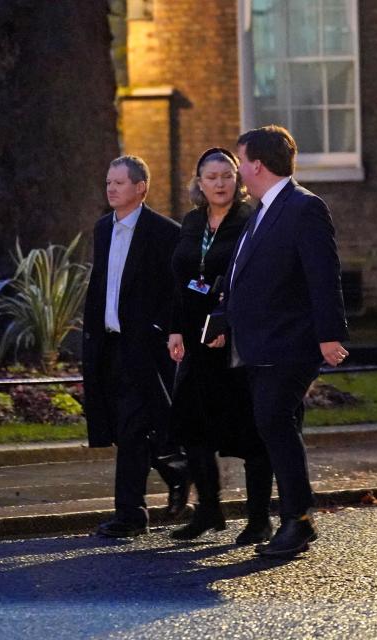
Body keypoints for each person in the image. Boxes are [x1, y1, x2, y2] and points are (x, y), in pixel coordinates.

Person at [221, 125, 349, 558]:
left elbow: (323, 275)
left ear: (257, 164)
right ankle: (295, 517)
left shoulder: (303, 207)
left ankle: (298, 520)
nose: (238, 171)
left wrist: (330, 335)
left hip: (289, 343)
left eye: (240, 162)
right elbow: (247, 275)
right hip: (259, 341)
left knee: (274, 421)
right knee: (276, 424)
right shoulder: (260, 210)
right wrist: (225, 317)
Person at [167, 148, 273, 545]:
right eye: (211, 177)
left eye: (227, 175)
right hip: (197, 342)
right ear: (199, 183)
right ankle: (209, 509)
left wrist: (230, 322)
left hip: (235, 344)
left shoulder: (250, 220)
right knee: (193, 429)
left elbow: (256, 280)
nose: (220, 183)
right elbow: (180, 279)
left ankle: (259, 518)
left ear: (238, 179)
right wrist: (176, 329)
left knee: (249, 433)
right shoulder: (193, 221)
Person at [82, 155, 191, 538]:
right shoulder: (101, 229)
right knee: (129, 426)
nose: (111, 188)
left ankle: (130, 514)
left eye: (119, 183)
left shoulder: (164, 232)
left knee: (132, 427)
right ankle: (177, 470)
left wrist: (162, 328)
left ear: (140, 187)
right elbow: (103, 283)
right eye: (108, 182)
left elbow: (178, 288)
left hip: (144, 345)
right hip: (108, 344)